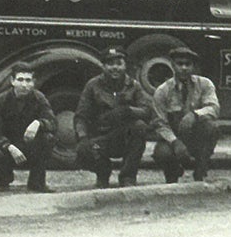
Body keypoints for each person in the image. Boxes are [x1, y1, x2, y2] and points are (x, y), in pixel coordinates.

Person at [76, 48, 154, 188]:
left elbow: (147, 111)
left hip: (124, 137)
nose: (115, 68)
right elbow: (81, 116)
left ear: (125, 66)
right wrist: (82, 138)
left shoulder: (133, 86)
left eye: (119, 63)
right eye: (110, 64)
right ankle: (103, 173)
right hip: (101, 137)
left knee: (139, 127)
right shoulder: (92, 86)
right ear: (103, 66)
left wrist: (129, 111)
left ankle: (128, 177)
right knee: (83, 150)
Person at [150, 46, 220, 184]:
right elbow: (159, 123)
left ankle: (200, 170)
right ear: (173, 66)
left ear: (193, 66)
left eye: (188, 64)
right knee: (162, 154)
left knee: (212, 128)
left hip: (196, 135)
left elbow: (214, 108)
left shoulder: (205, 84)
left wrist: (195, 114)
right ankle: (172, 175)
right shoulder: (163, 91)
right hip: (173, 136)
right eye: (179, 64)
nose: (184, 68)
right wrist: (175, 142)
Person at [0, 62, 54, 192]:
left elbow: (52, 121)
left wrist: (39, 123)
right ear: (12, 81)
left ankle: (36, 182)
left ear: (33, 82)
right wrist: (9, 146)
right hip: (9, 149)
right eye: (20, 80)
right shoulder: (1, 101)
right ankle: (4, 179)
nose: (24, 85)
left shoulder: (39, 98)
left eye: (28, 80)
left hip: (30, 148)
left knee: (48, 138)